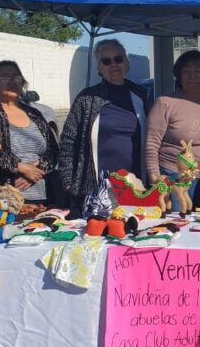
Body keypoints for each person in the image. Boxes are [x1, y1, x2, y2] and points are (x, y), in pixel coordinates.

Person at [59, 39, 150, 217]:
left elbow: (152, 137)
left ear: (127, 63)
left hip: (135, 185)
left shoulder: (141, 95)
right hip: (96, 187)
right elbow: (68, 142)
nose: (113, 65)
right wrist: (68, 181)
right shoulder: (87, 98)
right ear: (99, 68)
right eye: (106, 61)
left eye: (118, 59)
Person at [0, 60, 58, 205]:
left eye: (16, 77)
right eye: (5, 77)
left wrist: (36, 170)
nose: (12, 81)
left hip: (41, 195)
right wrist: (21, 167)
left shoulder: (35, 114)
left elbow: (53, 151)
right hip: (3, 196)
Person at [146, 50, 200, 210]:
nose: (192, 76)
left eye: (198, 71)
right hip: (174, 177)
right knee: (176, 224)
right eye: (187, 71)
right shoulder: (165, 103)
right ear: (179, 75)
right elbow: (151, 145)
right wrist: (155, 178)